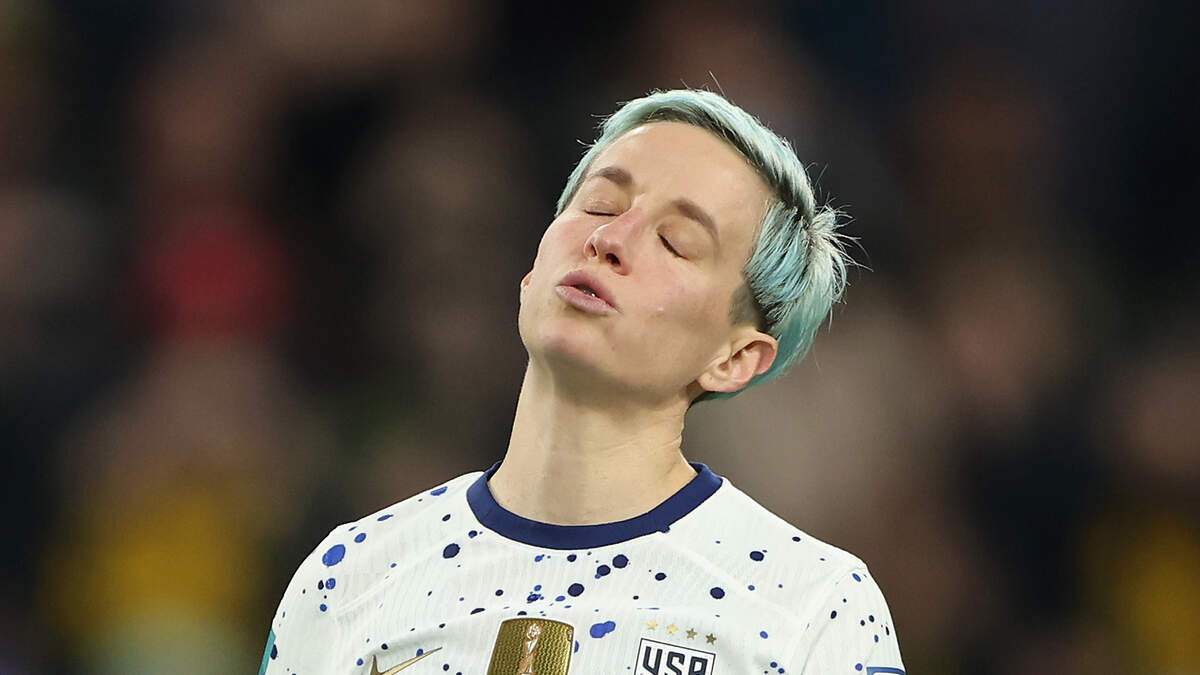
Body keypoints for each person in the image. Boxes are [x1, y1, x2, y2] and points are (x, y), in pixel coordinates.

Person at [260, 89, 906, 675]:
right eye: (599, 203)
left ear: (734, 358)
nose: (609, 238)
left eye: (676, 242)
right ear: (532, 270)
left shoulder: (810, 607)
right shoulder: (350, 577)